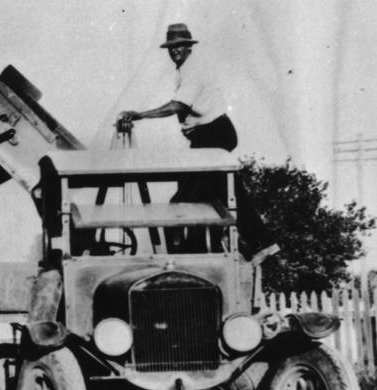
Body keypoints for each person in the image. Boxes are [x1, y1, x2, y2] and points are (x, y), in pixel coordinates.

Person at [117, 23, 276, 260]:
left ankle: (208, 250)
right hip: (206, 137)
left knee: (186, 201)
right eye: (171, 47)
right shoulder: (185, 70)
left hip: (214, 134)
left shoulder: (194, 70)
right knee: (216, 193)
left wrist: (140, 115)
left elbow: (176, 106)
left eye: (179, 46)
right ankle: (256, 242)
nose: (175, 51)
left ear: (189, 47)